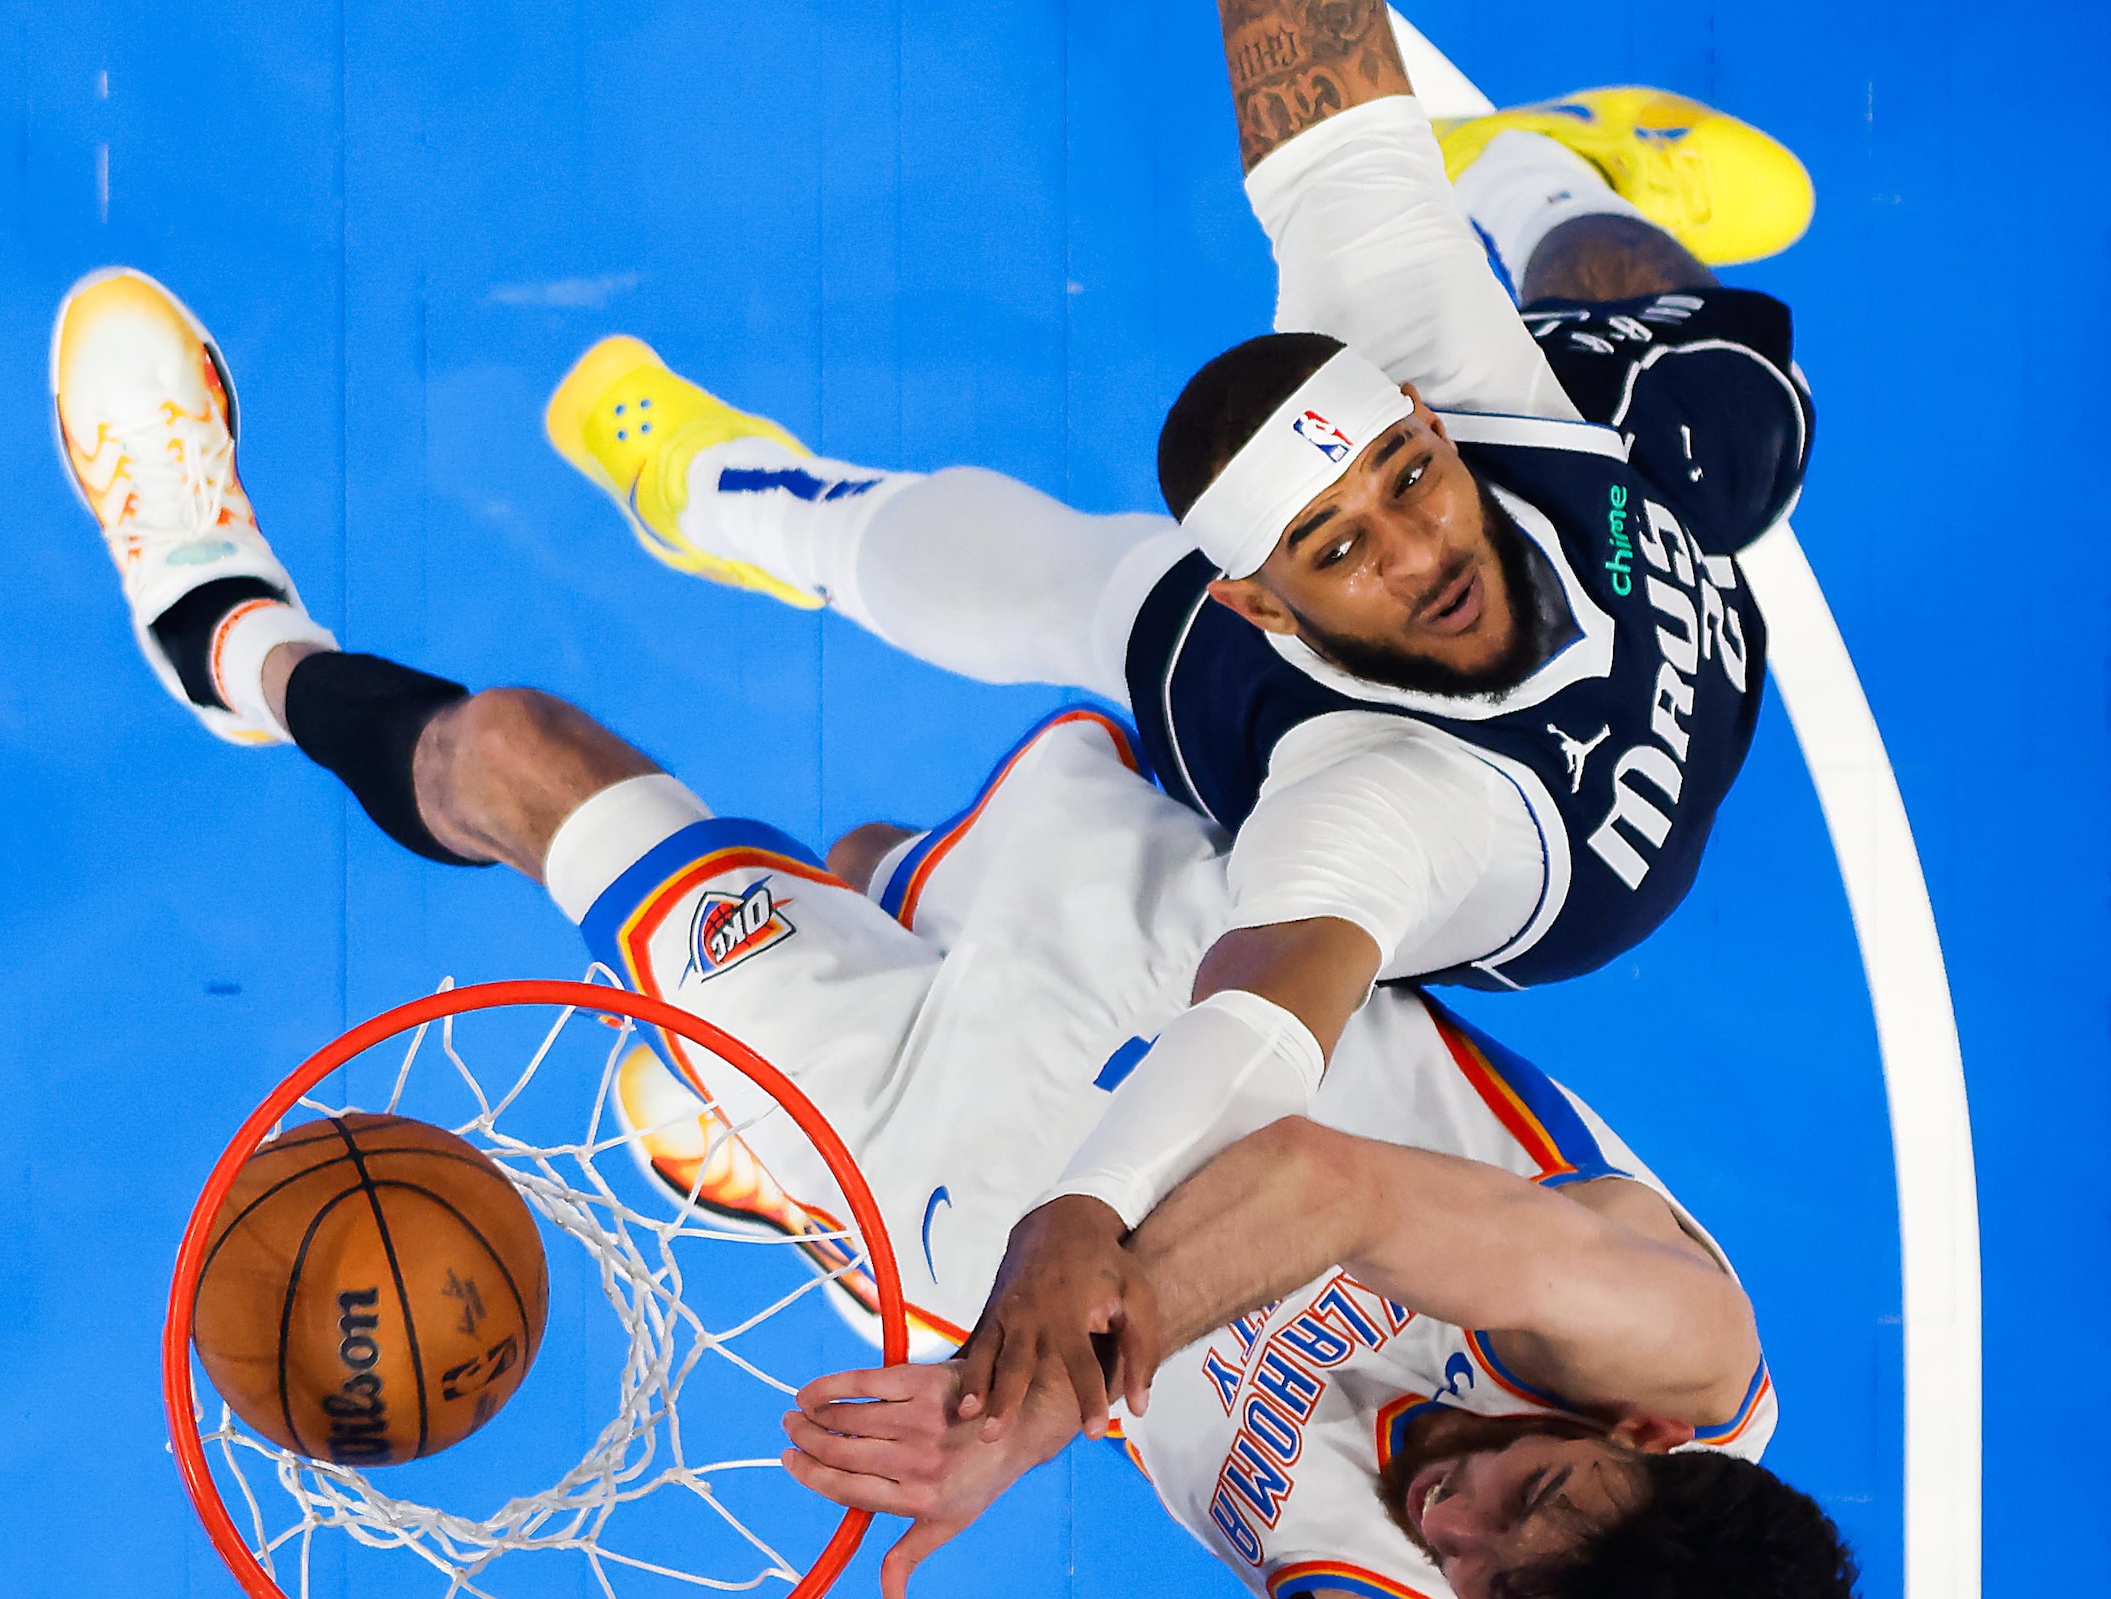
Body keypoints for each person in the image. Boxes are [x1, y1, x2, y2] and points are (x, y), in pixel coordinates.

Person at [54, 263, 1855, 1599]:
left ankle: (225, 631)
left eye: (1481, 1575)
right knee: (893, 822)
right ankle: (1557, 207)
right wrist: (1042, 1404)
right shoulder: (1669, 1338)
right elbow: (1320, 1184)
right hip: (1172, 955)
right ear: (1635, 1436)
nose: (1456, 1514)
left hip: (939, 1188)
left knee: (522, 758)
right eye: (1531, 1493)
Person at [543, 1, 1819, 1430]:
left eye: (1404, 479)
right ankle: (731, 494)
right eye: (1331, 547)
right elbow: (1257, 1026)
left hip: (1597, 538)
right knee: (1063, 583)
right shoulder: (1378, 794)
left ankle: (1533, 168)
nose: (1410, 553)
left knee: (1730, 414)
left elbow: (1313, 65)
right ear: (1264, 601)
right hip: (1481, 792)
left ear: (1422, 419)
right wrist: (1084, 1206)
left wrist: (1402, 467)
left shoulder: (1424, 369)